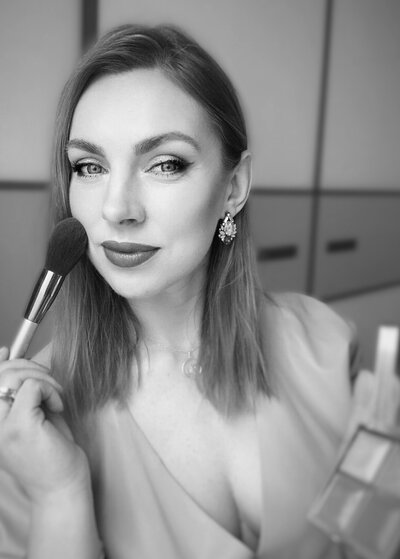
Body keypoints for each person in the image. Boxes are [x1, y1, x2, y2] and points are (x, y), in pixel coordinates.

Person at [0, 24, 361, 559]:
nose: (117, 208)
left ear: (233, 188)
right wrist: (59, 495)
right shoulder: (29, 421)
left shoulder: (323, 346)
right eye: (89, 167)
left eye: (165, 164)